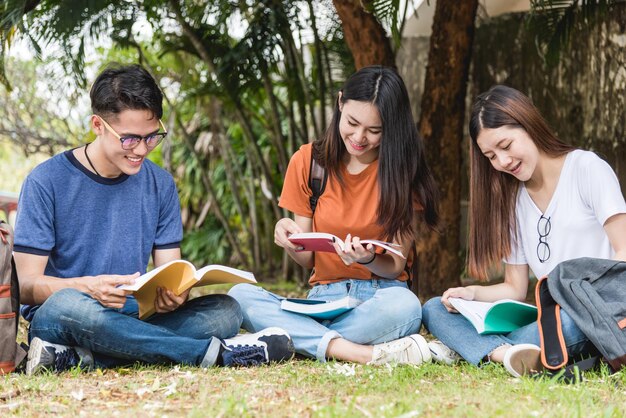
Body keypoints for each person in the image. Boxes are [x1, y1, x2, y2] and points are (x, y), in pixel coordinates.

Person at [15, 64, 294, 374]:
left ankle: (81, 358)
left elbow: (170, 271)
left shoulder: (160, 184)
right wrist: (86, 288)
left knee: (225, 312)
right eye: (130, 139)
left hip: (133, 311)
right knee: (71, 306)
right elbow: (26, 285)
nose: (141, 150)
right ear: (97, 124)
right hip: (68, 317)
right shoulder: (46, 181)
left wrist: (175, 296)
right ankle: (212, 354)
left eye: (151, 138)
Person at [228, 66, 438, 365]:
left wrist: (366, 259)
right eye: (352, 122)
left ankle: (302, 338)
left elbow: (395, 267)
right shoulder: (308, 162)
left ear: (390, 126)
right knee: (239, 295)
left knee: (407, 307)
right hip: (324, 298)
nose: (359, 137)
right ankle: (355, 351)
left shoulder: (404, 170)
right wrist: (290, 241)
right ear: (340, 103)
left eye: (374, 131)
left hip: (381, 297)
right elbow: (307, 259)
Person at [422, 85, 626, 376]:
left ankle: (477, 348)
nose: (502, 162)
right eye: (491, 156)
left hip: (594, 311)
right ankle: (507, 353)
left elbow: (623, 255)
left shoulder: (586, 168)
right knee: (434, 308)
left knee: (565, 324)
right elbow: (514, 288)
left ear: (528, 124)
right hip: (547, 313)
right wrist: (470, 293)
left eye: (505, 146)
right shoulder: (513, 200)